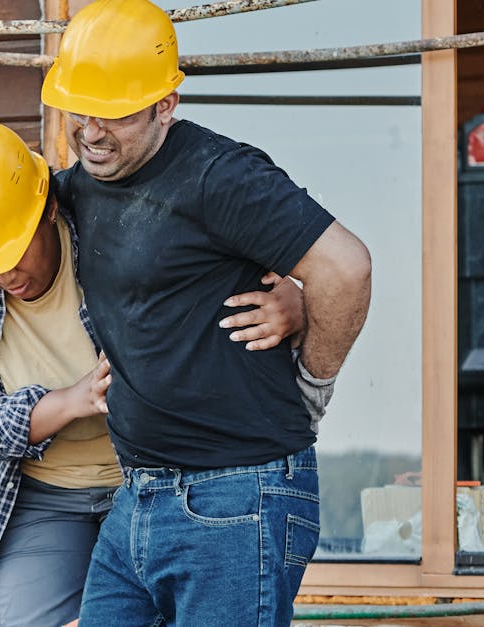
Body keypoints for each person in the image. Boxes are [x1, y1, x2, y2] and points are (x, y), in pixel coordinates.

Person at [39, 0, 372, 624]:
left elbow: (345, 269)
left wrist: (314, 380)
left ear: (167, 104)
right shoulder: (84, 183)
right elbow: (28, 200)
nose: (90, 129)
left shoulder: (219, 175)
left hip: (236, 496)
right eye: (79, 108)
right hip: (137, 498)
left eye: (114, 113)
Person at [0, 121, 313, 627]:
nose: (1, 274)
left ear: (49, 209)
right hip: (43, 492)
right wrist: (67, 402)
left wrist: (298, 299)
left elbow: (207, 266)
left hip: (155, 476)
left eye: (11, 252)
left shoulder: (110, 222)